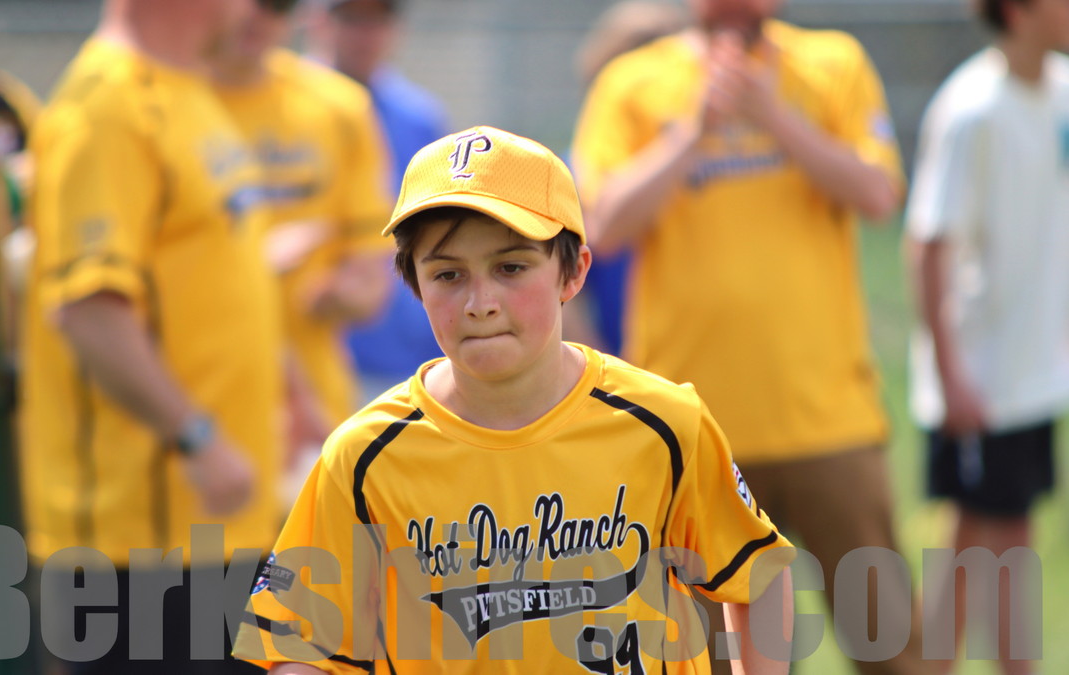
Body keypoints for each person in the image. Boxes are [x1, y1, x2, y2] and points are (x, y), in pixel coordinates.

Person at [231, 126, 795, 673]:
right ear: (415, 285)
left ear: (572, 272)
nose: (480, 302)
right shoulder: (364, 457)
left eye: (510, 268)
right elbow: (301, 648)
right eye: (447, 275)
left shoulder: (663, 423)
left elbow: (761, 573)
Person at [572, 1, 926, 674]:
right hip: (689, 430)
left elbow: (879, 193)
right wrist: (693, 132)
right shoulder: (633, 81)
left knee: (889, 646)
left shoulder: (831, 64)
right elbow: (603, 225)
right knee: (713, 657)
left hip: (829, 419)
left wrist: (775, 117)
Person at [20, 0, 281, 671]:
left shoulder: (187, 87)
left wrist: (293, 390)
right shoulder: (108, 106)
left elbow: (218, 275)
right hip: (140, 547)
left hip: (216, 524)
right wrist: (195, 436)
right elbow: (90, 310)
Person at [904, 0, 1069, 672]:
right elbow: (927, 244)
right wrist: (952, 376)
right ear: (1019, 11)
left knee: (1016, 535)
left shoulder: (1062, 92)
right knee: (969, 544)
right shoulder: (971, 109)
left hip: (1035, 372)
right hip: (981, 374)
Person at [212, 0, 394, 431]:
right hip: (196, 406)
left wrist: (340, 293)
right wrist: (257, 264)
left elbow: (371, 279)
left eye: (276, 4)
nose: (256, 15)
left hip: (311, 408)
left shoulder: (338, 107)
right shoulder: (161, 103)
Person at [305, 0, 449, 399]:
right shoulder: (286, 104)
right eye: (352, 19)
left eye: (378, 20)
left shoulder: (419, 117)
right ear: (317, 21)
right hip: (318, 352)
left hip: (409, 351)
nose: (365, 34)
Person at [563, 0, 686, 355]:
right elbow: (561, 298)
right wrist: (608, 373)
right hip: (620, 360)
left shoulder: (716, 159)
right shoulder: (570, 176)